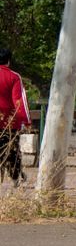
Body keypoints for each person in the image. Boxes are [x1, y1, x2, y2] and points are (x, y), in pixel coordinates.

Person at [0, 47, 31, 185]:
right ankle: (16, 178)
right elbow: (19, 101)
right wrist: (27, 121)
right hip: (9, 123)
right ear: (9, 60)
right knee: (12, 152)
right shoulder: (14, 77)